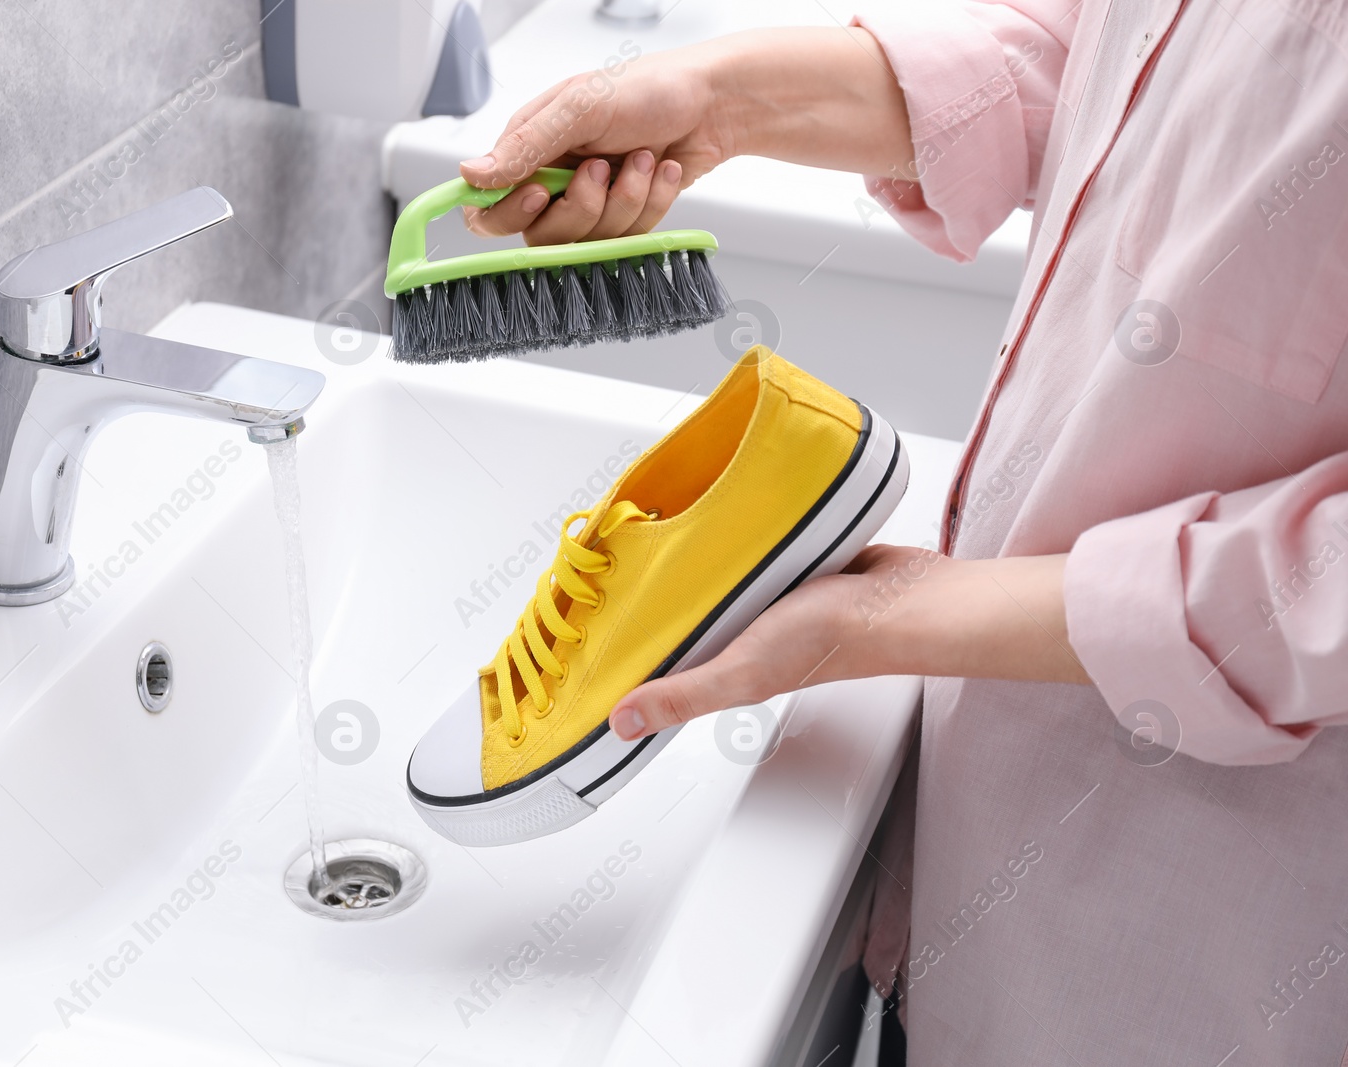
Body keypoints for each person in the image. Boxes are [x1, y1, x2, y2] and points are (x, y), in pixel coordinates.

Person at [458, 5, 1348, 1064]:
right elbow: (1123, 71)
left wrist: (919, 618)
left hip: (1198, 961)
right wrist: (715, 98)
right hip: (975, 884)